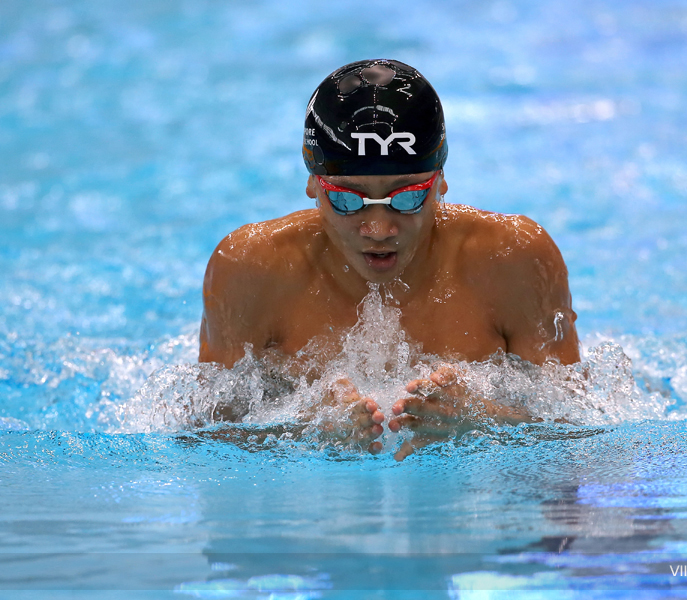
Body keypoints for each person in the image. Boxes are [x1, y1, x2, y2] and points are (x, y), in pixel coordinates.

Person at [199, 59, 579, 459]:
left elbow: (580, 428)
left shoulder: (513, 259)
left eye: (408, 196)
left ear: (440, 179)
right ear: (312, 182)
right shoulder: (252, 268)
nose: (379, 229)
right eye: (347, 199)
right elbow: (200, 434)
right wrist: (302, 431)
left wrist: (484, 419)